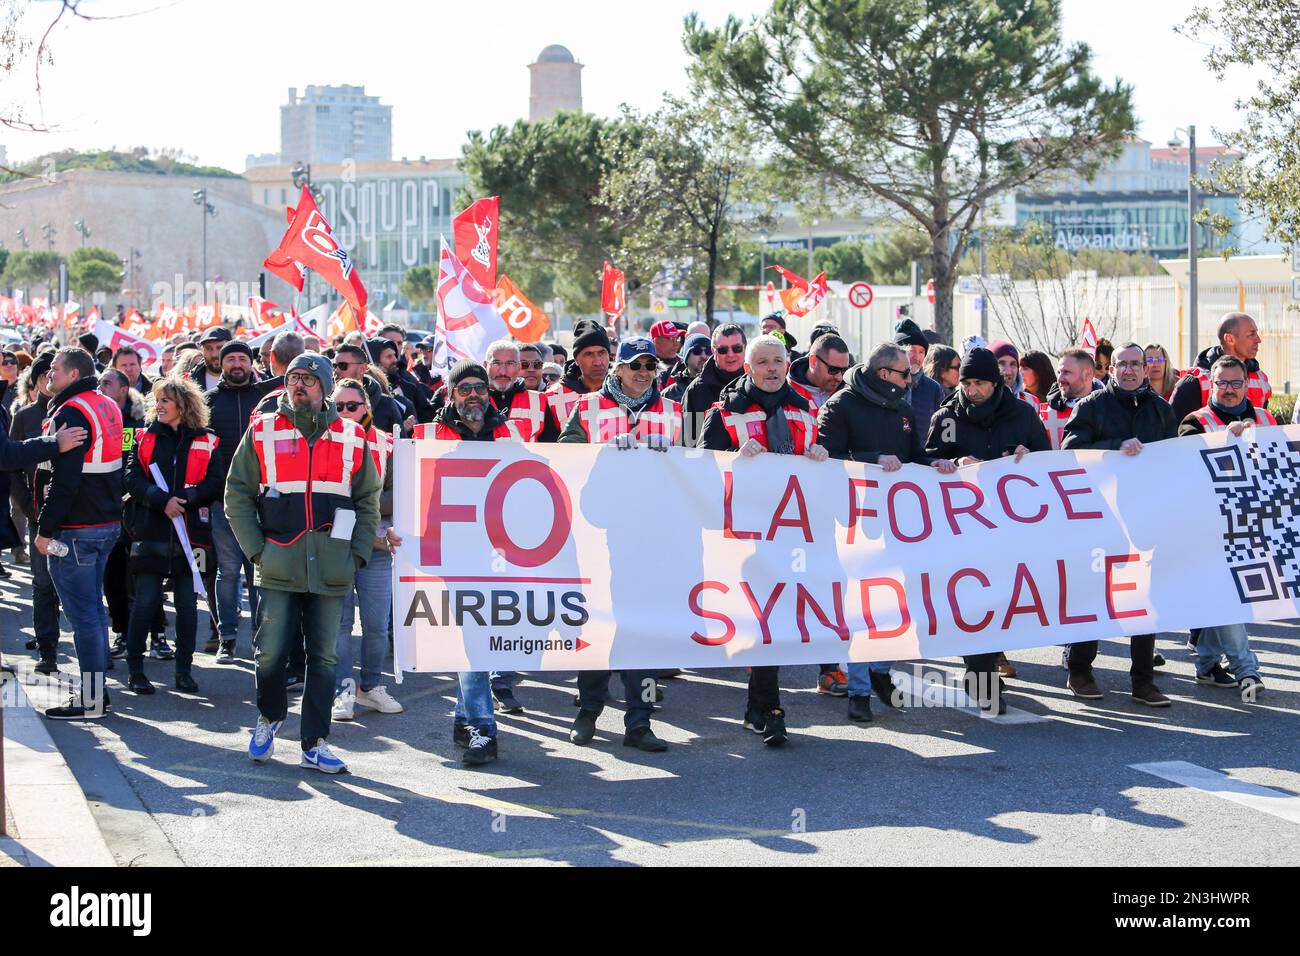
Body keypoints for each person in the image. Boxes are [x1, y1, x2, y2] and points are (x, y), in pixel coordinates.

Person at [224, 353, 381, 774]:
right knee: (270, 653)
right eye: (293, 378)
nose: (298, 385)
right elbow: (236, 494)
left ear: (326, 387)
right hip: (277, 564)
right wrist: (258, 550)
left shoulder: (352, 436)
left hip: (332, 567)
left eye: (308, 379)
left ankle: (315, 741)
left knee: (325, 658)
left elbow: (367, 500)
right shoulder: (263, 430)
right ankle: (270, 716)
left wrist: (358, 554)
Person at [697, 335, 828, 744]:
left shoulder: (808, 408)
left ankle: (759, 707)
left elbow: (821, 459)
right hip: (746, 534)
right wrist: (734, 458)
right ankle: (771, 710)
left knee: (777, 618)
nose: (772, 368)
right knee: (762, 617)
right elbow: (700, 467)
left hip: (792, 532)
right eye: (763, 362)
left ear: (788, 364)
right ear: (748, 368)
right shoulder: (725, 411)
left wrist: (822, 453)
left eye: (778, 361)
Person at [817, 343, 958, 721]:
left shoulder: (903, 408)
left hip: (897, 522)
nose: (911, 379)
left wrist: (938, 464)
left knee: (896, 603)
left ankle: (880, 673)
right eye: (904, 373)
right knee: (863, 606)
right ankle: (859, 692)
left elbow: (913, 457)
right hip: (854, 521)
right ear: (884, 375)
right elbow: (826, 457)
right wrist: (872, 461)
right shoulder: (841, 405)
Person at [560, 337, 678, 753]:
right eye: (635, 365)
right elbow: (565, 458)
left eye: (650, 366)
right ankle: (588, 710)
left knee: (640, 628)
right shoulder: (588, 407)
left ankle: (639, 721)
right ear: (618, 369)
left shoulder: (673, 411)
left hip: (649, 536)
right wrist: (605, 454)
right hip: (597, 531)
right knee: (598, 622)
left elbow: (694, 468)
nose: (643, 372)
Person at [924, 347, 1051, 711]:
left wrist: (1029, 457)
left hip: (1010, 524)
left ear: (995, 384)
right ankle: (980, 675)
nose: (972, 390)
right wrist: (951, 462)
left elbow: (1049, 460)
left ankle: (987, 660)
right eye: (966, 382)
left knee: (1001, 599)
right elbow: (924, 461)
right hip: (963, 525)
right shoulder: (946, 417)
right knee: (973, 600)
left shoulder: (1023, 414)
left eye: (979, 382)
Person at [419, 360, 530, 765]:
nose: (473, 395)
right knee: (473, 639)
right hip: (451, 552)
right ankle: (483, 729)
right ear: (450, 394)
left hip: (498, 552)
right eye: (463, 388)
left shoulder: (508, 432)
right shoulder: (428, 434)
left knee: (478, 638)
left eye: (479, 388)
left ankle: (465, 715)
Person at [1061, 343, 1178, 707]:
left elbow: (1179, 459)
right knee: (1094, 595)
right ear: (1109, 369)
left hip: (1146, 517)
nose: (1128, 370)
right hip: (1099, 519)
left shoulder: (1161, 410)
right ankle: (1080, 670)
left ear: (1146, 369)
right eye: (1121, 364)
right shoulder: (1091, 407)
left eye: (1135, 364)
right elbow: (1069, 452)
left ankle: (1143, 681)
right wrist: (1115, 447)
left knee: (1145, 599)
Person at [1175, 354, 1274, 702]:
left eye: (1236, 383)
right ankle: (1247, 668)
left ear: (1247, 385)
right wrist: (1223, 444)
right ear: (1210, 385)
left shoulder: (1264, 418)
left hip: (1252, 522)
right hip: (1209, 526)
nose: (1229, 390)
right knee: (1229, 597)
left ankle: (1205, 663)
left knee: (1227, 597)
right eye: (1222, 384)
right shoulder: (1195, 421)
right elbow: (1186, 470)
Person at [35, 348, 124, 719]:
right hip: (105, 523)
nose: (49, 375)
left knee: (85, 615)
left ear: (73, 374)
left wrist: (45, 530)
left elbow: (64, 480)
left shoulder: (71, 411)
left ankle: (91, 699)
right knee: (93, 613)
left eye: (55, 369)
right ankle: (95, 693)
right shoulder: (106, 403)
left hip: (76, 529)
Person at [121, 377, 222, 696]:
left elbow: (215, 482)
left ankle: (184, 671)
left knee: (188, 607)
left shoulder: (209, 440)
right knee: (145, 602)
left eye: (166, 400)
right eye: (157, 400)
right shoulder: (144, 437)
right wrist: (160, 500)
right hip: (150, 529)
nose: (159, 405)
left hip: (191, 533)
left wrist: (187, 501)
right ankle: (135, 670)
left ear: (183, 403)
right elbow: (131, 478)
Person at [329, 380, 404, 722]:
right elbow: (323, 497)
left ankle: (370, 686)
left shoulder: (387, 442)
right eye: (339, 406)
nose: (345, 412)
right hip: (335, 544)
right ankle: (342, 690)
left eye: (352, 406)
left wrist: (361, 505)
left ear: (366, 408)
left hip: (376, 546)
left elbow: (397, 492)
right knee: (339, 624)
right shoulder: (322, 441)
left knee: (376, 625)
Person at [205, 339, 278, 664]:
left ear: (251, 363)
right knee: (228, 572)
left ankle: (261, 642)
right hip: (223, 502)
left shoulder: (266, 399)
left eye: (242, 359)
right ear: (221, 364)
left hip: (263, 501)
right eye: (230, 359)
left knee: (258, 573)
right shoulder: (209, 401)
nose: (237, 364)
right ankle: (227, 638)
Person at [9, 352, 75, 675]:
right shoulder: (23, 417)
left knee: (77, 587)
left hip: (76, 519)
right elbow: (11, 460)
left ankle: (89, 656)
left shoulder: (79, 412)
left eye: (56, 371)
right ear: (36, 380)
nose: (50, 378)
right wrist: (27, 505)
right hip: (38, 516)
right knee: (43, 583)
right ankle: (47, 649)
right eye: (45, 373)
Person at [1170, 313, 1271, 422]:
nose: (1258, 340)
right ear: (1229, 339)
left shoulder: (1260, 378)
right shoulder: (1195, 383)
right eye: (1251, 334)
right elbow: (1175, 433)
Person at [539, 320, 610, 441]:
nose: (597, 362)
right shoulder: (552, 396)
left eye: (602, 353)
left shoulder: (626, 390)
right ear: (576, 359)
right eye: (589, 354)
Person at [681, 322, 747, 445]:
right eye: (723, 350)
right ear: (713, 351)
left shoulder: (758, 382)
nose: (730, 354)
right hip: (710, 462)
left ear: (745, 348)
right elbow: (689, 443)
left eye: (737, 348)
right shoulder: (696, 390)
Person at [484, 339, 547, 439]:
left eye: (510, 363)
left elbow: (550, 446)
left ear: (518, 367)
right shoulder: (472, 400)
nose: (503, 372)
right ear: (485, 366)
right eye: (496, 363)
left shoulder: (540, 400)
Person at [1039, 349, 1099, 450]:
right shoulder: (1043, 414)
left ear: (1087, 374)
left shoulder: (1109, 408)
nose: (1059, 379)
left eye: (1066, 372)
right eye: (1059, 372)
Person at [895, 318, 946, 426]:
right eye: (912, 350)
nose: (917, 357)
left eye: (921, 352)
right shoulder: (886, 384)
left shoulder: (934, 389)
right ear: (899, 352)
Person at [789, 332, 850, 409]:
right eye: (833, 369)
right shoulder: (785, 394)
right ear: (813, 361)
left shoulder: (849, 395)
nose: (839, 378)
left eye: (844, 370)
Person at [662, 333, 712, 404]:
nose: (704, 356)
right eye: (697, 351)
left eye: (708, 351)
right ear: (686, 358)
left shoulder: (723, 388)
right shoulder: (669, 395)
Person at [988, 340, 1038, 407]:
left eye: (1013, 364)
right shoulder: (977, 400)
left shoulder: (1032, 403)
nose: (1008, 372)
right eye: (1001, 364)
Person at [194, 327, 232, 391]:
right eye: (208, 348)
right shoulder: (191, 382)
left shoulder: (247, 379)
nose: (214, 354)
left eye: (220, 348)